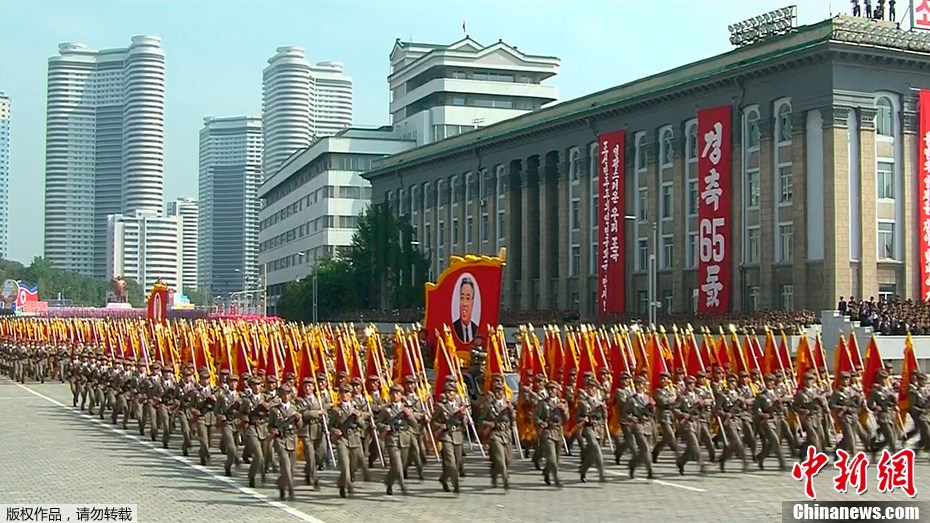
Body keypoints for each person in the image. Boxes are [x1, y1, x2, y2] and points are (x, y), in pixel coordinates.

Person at [378, 384, 417, 495]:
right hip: (392, 439)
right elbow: (378, 423)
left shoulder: (407, 409)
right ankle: (402, 486)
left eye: (398, 393)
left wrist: (409, 415)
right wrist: (384, 427)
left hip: (404, 439)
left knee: (402, 465)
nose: (395, 395)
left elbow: (414, 424)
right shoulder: (386, 410)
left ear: (401, 395)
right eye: (393, 393)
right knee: (397, 465)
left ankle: (389, 482)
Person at [330, 384, 364, 498]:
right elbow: (330, 426)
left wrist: (358, 418)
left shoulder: (356, 408)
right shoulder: (336, 410)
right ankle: (347, 486)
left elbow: (364, 425)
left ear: (351, 394)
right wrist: (335, 431)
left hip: (354, 438)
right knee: (345, 465)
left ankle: (341, 483)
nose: (345, 395)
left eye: (347, 392)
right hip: (342, 439)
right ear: (339, 395)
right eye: (343, 393)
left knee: (353, 467)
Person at [434, 381, 467, 493]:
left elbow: (465, 422)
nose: (449, 394)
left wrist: (462, 417)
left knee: (457, 462)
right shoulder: (441, 406)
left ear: (455, 393)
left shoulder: (460, 405)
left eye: (451, 392)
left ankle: (443, 479)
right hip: (446, 435)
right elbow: (433, 422)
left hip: (457, 434)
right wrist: (441, 426)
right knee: (450, 461)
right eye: (447, 392)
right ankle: (456, 484)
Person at [270, 384, 300, 501]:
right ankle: (291, 490)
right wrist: (273, 430)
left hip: (292, 438)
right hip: (280, 439)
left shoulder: (295, 408)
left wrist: (299, 419)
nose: (286, 396)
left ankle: (282, 486)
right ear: (280, 395)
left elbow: (300, 426)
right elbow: (270, 425)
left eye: (288, 393)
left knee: (291, 469)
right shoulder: (274, 410)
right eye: (283, 393)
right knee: (286, 466)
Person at [576, 372, 606, 483]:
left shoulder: (600, 401)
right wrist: (583, 419)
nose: (591, 389)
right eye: (589, 387)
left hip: (599, 428)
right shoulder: (583, 402)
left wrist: (604, 410)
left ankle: (583, 470)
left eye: (593, 387)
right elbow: (577, 417)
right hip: (588, 429)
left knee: (591, 455)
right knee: (595, 447)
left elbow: (604, 417)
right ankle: (602, 473)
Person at [535, 381, 567, 487]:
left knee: (556, 459)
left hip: (558, 431)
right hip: (547, 432)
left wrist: (564, 411)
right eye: (549, 389)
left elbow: (567, 418)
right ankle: (556, 477)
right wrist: (541, 423)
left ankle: (546, 472)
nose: (551, 391)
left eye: (553, 389)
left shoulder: (562, 402)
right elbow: (536, 418)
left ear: (557, 390)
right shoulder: (542, 403)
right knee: (551, 457)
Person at [483, 382, 514, 489]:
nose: (499, 393)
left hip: (506, 433)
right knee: (500, 458)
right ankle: (505, 479)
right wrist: (489, 424)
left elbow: (513, 420)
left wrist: (511, 411)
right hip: (495, 434)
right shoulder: (489, 406)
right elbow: (481, 420)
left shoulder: (507, 405)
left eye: (501, 390)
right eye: (496, 391)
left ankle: (495, 474)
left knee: (508, 460)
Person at [452, 278, 479, 344]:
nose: (464, 304)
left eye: (468, 298)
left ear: (472, 303)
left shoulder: (477, 330)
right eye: (462, 298)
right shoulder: (453, 329)